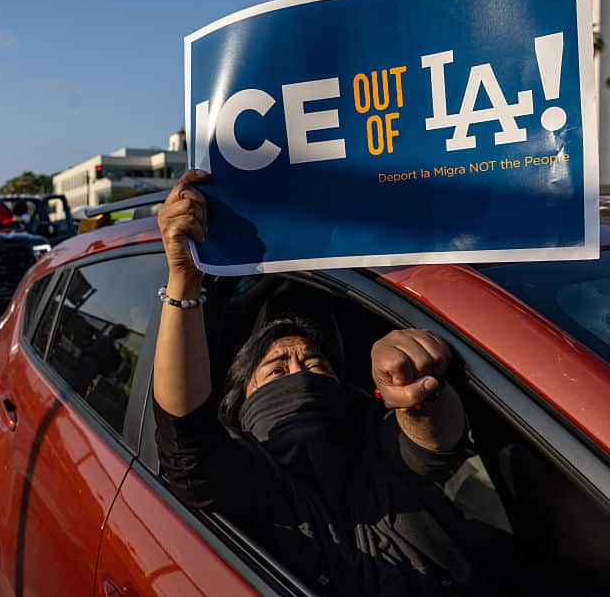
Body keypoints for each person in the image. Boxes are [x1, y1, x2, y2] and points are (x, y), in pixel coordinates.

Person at [153, 170, 517, 596]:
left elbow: (430, 442)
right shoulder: (250, 481)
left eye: (314, 363)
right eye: (276, 371)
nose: (301, 374)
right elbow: (186, 436)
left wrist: (413, 380)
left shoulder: (370, 444)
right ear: (242, 399)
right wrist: (183, 279)